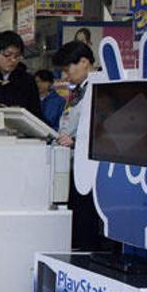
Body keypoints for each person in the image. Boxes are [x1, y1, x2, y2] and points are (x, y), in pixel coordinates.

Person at [52, 40, 105, 252]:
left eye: (68, 69)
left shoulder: (101, 88)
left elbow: (105, 130)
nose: (66, 76)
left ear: (84, 62)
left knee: (85, 225)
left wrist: (76, 142)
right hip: (72, 165)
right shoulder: (79, 91)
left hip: (90, 173)